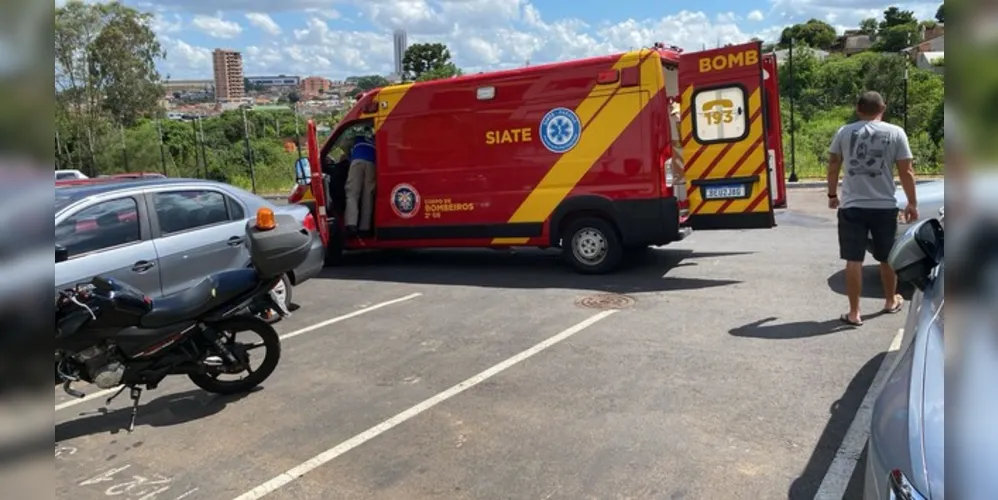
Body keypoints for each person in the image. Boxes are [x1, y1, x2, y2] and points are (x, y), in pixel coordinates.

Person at [827, 91, 919, 326]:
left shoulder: (844, 132)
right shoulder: (896, 132)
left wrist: (832, 194)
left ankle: (854, 313)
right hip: (884, 206)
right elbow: (906, 170)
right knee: (887, 257)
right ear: (883, 108)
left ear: (858, 109)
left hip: (852, 206)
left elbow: (833, 164)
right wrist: (912, 202)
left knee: (853, 259)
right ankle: (890, 301)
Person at [344, 130, 376, 236]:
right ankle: (365, 228)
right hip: (372, 162)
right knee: (368, 195)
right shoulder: (375, 138)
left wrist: (349, 157)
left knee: (352, 193)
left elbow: (345, 146)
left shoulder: (356, 135)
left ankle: (351, 224)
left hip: (358, 161)